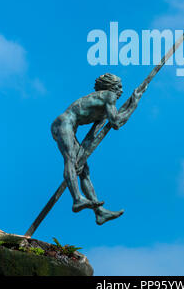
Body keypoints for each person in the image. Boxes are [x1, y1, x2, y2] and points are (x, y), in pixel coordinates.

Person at [51, 73, 142, 225]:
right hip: (63, 124)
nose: (121, 90)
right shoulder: (108, 96)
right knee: (70, 160)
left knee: (84, 170)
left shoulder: (104, 109)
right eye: (118, 86)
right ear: (110, 87)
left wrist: (82, 154)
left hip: (70, 128)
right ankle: (77, 199)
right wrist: (134, 103)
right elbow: (117, 123)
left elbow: (92, 137)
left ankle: (99, 212)